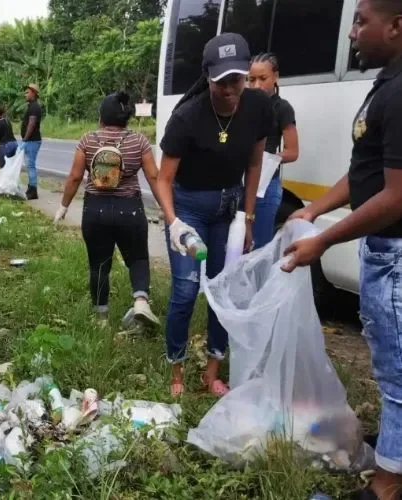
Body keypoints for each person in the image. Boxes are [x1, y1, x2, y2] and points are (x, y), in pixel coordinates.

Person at [282, 1, 402, 497]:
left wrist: (325, 240)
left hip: (396, 256)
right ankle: (394, 450)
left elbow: (396, 196)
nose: (351, 33)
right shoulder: (385, 85)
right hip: (384, 254)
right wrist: (313, 210)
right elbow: (365, 175)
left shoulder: (399, 93)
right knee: (389, 365)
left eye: (361, 21)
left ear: (396, 25)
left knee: (398, 377)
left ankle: (386, 486)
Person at [155, 33, 272, 397]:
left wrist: (248, 218)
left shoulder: (257, 108)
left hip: (229, 211)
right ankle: (176, 369)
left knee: (224, 291)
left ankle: (212, 371)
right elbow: (163, 179)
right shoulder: (187, 117)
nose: (230, 88)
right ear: (207, 76)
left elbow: (255, 165)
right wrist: (173, 223)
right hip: (188, 210)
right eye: (222, 81)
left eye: (237, 79)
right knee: (187, 291)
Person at [53, 91, 164, 328]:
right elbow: (154, 177)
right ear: (126, 118)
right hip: (130, 210)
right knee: (137, 257)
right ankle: (141, 301)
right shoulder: (139, 141)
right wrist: (167, 209)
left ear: (101, 117)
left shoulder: (88, 140)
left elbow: (74, 178)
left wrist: (63, 207)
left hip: (95, 210)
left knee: (99, 264)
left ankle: (101, 318)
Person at [247, 53, 300, 248]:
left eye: (263, 79)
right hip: (240, 183)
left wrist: (269, 159)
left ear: (275, 77)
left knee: (258, 246)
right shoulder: (243, 105)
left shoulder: (282, 108)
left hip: (266, 186)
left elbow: (292, 151)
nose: (257, 86)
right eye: (251, 80)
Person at [20, 83, 43, 200]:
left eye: (27, 92)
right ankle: (30, 188)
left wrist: (25, 139)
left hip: (32, 140)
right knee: (30, 165)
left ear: (33, 93)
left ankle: (33, 191)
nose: (25, 94)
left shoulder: (34, 107)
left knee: (30, 165)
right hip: (31, 140)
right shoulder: (32, 106)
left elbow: (31, 124)